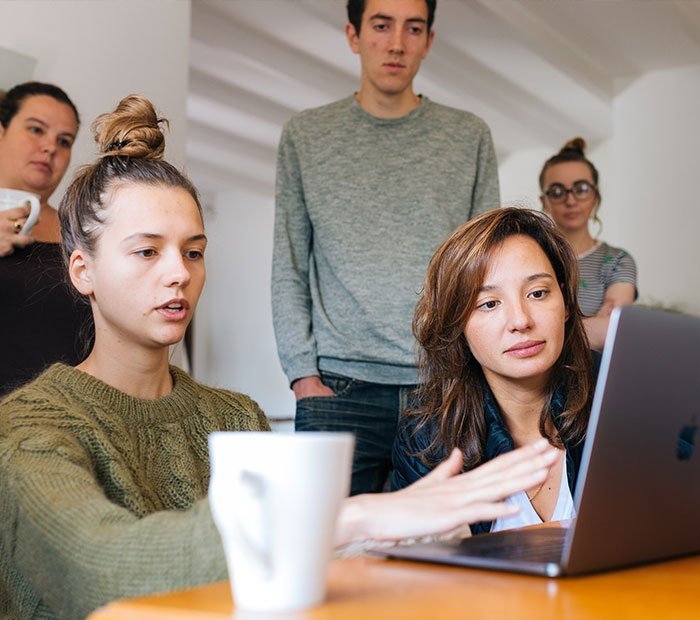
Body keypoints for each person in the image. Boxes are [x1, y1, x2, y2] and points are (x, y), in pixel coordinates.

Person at [0, 95, 556, 620]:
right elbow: (102, 567)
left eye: (193, 252)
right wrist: (348, 515)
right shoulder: (28, 427)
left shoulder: (235, 417)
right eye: (147, 251)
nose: (179, 273)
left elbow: (286, 582)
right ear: (83, 270)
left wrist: (404, 536)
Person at [272, 0, 500, 495]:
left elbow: (487, 269)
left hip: (442, 386)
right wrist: (301, 375)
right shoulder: (306, 136)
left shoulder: (469, 137)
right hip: (336, 389)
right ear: (353, 36)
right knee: (327, 540)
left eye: (413, 28)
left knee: (438, 540)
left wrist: (478, 370)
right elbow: (288, 263)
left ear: (429, 41)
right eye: (381, 25)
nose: (397, 43)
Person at [391, 208, 597, 535]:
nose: (520, 321)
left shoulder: (622, 398)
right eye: (489, 304)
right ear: (457, 325)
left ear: (566, 304)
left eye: (538, 293)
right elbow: (415, 562)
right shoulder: (426, 439)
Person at [0, 82, 93, 397]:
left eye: (64, 141)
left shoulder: (82, 232)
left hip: (70, 411)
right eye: (36, 130)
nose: (50, 147)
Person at [539, 137, 637, 350]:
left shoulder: (618, 260)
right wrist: (592, 325)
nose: (570, 200)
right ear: (544, 201)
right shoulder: (532, 257)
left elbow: (610, 331)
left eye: (581, 188)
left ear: (595, 195)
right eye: (557, 191)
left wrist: (542, 335)